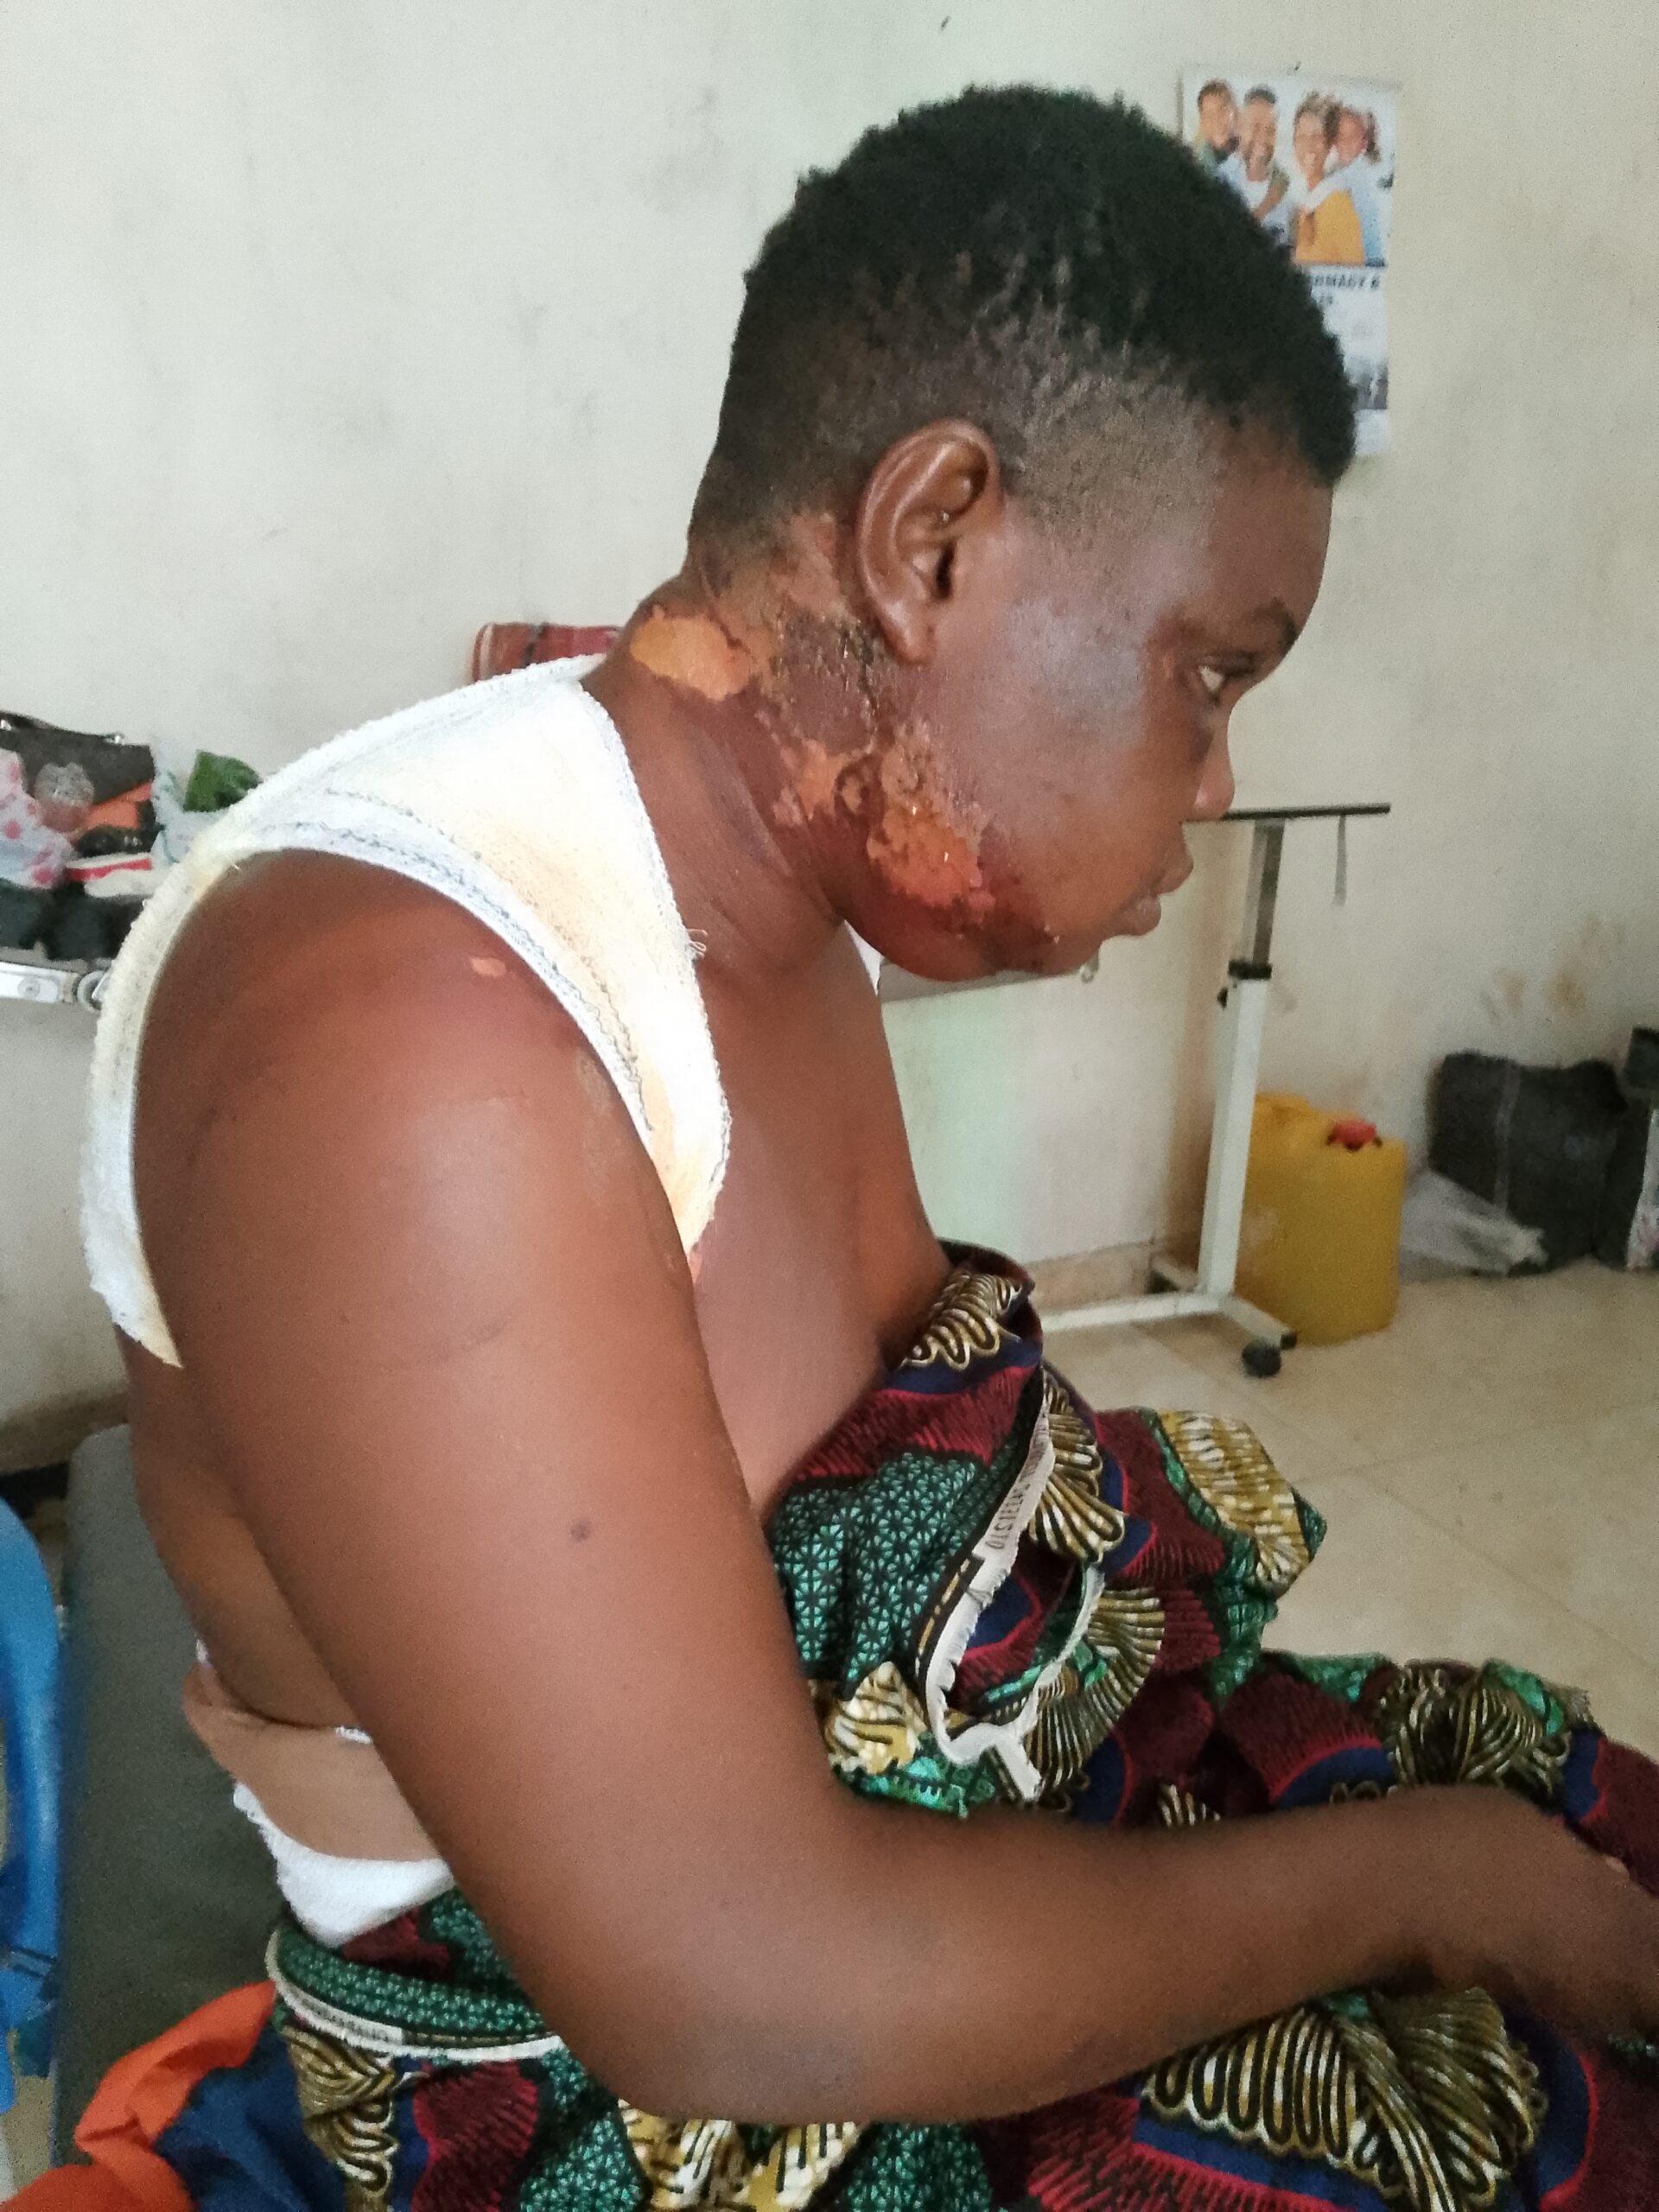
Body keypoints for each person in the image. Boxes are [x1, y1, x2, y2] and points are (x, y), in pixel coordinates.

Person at [31, 86, 1659, 2212]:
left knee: (1561, 1800)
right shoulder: (429, 1032)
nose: (1209, 786)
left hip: (896, 1857)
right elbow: (734, 1993)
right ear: (933, 540)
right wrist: (1413, 1888)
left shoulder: (761, 877)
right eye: (1205, 675)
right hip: (643, 2093)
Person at [1291, 94, 1365, 264]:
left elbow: (1357, 273)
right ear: (1294, 144)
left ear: (1329, 144)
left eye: (1316, 137)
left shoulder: (1338, 204)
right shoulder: (1303, 204)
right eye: (1301, 137)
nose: (1308, 146)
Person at [1224, 83, 1293, 245]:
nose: (1262, 138)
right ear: (1240, 128)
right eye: (1255, 127)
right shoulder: (1221, 179)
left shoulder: (1286, 186)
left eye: (1270, 131)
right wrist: (1267, 205)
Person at [1334, 101, 1389, 264]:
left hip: (1368, 260)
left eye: (1352, 138)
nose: (1344, 143)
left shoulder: (1357, 174)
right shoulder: (1341, 169)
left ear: (1364, 142)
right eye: (1340, 136)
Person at [1191, 76, 1236, 170]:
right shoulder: (1195, 165)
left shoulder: (1248, 153)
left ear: (1233, 113)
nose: (1217, 122)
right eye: (1210, 116)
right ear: (1202, 122)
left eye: (1221, 113)